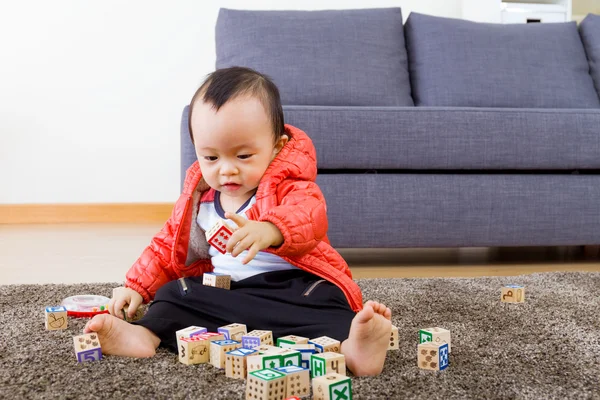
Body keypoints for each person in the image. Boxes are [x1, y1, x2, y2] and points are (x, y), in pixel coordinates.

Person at [84, 66, 392, 376]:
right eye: (211, 158)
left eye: (243, 156)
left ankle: (355, 347)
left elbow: (310, 216)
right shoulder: (200, 201)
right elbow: (166, 249)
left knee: (328, 300)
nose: (226, 170)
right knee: (173, 294)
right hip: (229, 294)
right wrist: (136, 287)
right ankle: (143, 335)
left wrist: (272, 228)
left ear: (277, 147)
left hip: (294, 290)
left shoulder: (290, 187)